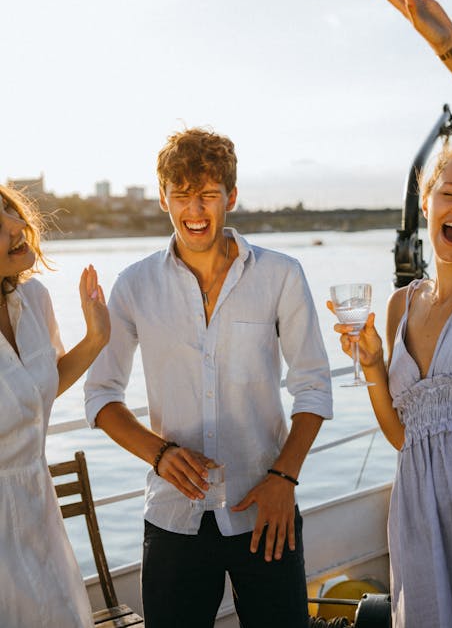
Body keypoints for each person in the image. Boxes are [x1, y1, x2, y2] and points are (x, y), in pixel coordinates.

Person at [84, 128, 333, 628]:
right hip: (174, 517)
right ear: (163, 200)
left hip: (268, 508)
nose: (194, 210)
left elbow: (313, 385)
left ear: (231, 197)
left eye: (207, 195)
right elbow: (100, 395)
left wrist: (284, 478)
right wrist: (159, 453)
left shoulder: (281, 274)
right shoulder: (133, 285)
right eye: (181, 195)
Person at [329, 0, 452, 627]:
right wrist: (373, 368)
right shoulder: (401, 305)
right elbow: (406, 438)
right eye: (451, 192)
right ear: (427, 199)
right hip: (419, 524)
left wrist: (451, 50)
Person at [0, 185, 110, 627]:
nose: (17, 224)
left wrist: (96, 338)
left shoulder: (34, 299)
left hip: (38, 511)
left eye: (10, 210)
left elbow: (33, 394)